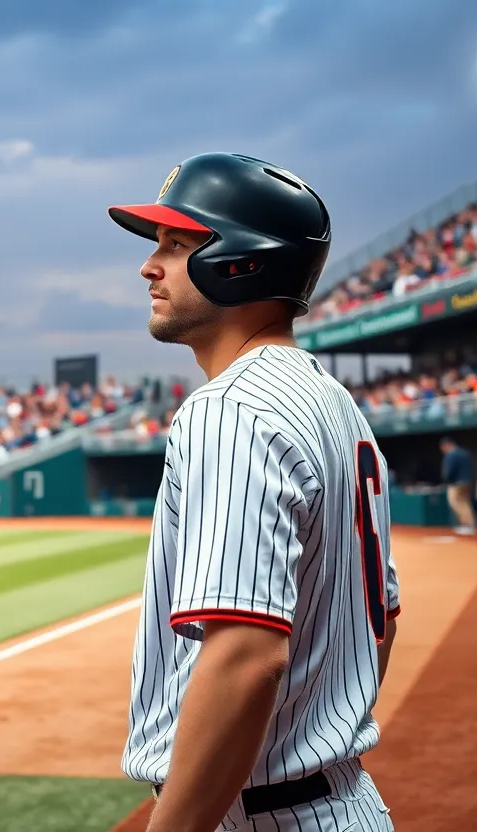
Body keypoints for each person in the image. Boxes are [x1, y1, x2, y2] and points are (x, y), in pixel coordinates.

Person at [109, 152, 399, 832]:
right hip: (338, 803)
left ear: (242, 261)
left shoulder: (231, 408)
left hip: (265, 818)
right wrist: (314, 723)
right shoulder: (336, 405)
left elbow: (245, 655)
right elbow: (382, 619)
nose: (150, 266)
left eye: (177, 246)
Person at [439, 436, 476, 535]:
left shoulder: (451, 455)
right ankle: (469, 524)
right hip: (468, 481)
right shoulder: (465, 453)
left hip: (457, 483)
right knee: (465, 503)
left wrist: (446, 479)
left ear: (446, 445)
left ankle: (467, 525)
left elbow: (449, 472)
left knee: (457, 503)